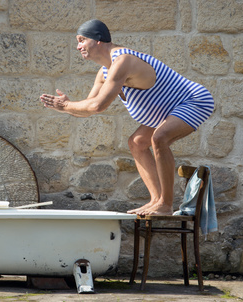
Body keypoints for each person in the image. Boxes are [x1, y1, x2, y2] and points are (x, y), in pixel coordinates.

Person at [40, 19, 214, 216]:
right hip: (169, 109)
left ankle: (166, 205)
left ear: (98, 39)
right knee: (137, 142)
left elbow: (98, 106)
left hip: (194, 100)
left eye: (81, 40)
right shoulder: (103, 73)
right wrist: (65, 107)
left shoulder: (123, 60)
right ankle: (156, 200)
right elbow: (88, 108)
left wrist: (65, 105)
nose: (78, 46)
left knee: (159, 138)